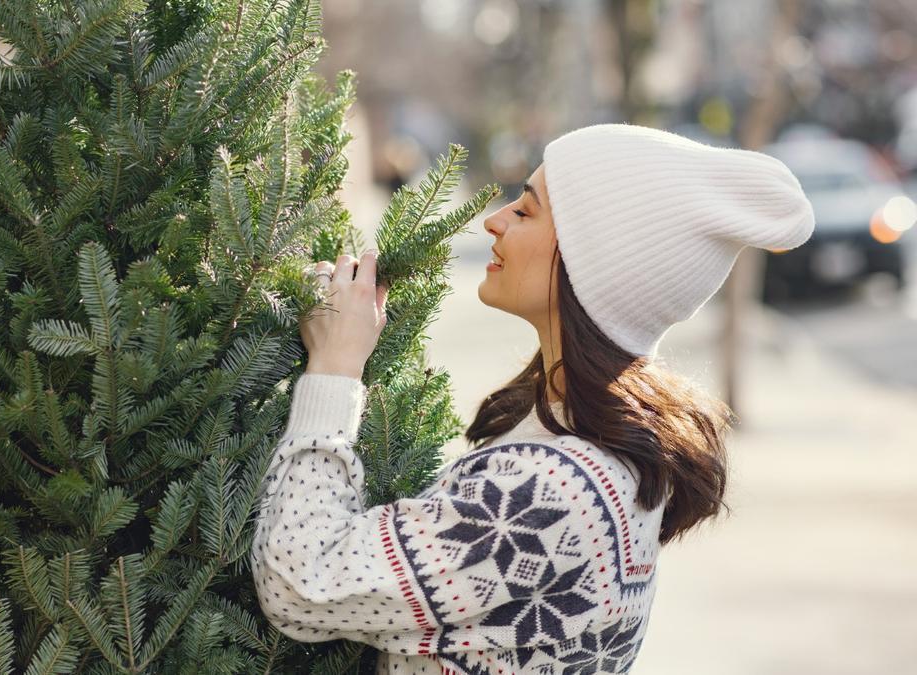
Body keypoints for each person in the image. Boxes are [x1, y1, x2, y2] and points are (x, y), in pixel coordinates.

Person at [251, 123, 815, 674]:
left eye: (525, 210)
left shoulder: (550, 488)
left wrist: (334, 368)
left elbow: (302, 582)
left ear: (588, 260)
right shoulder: (600, 448)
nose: (495, 221)